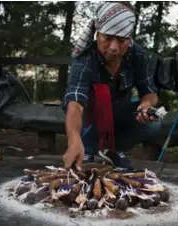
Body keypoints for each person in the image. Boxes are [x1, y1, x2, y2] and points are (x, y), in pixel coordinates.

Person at [62, 2, 162, 170]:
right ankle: (86, 148)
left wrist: (146, 105)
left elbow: (150, 92)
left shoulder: (136, 54)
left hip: (118, 112)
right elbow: (75, 103)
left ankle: (113, 151)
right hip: (90, 116)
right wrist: (73, 140)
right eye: (107, 38)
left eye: (121, 40)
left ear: (129, 38)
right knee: (89, 113)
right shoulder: (86, 57)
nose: (114, 48)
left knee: (154, 124)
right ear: (97, 34)